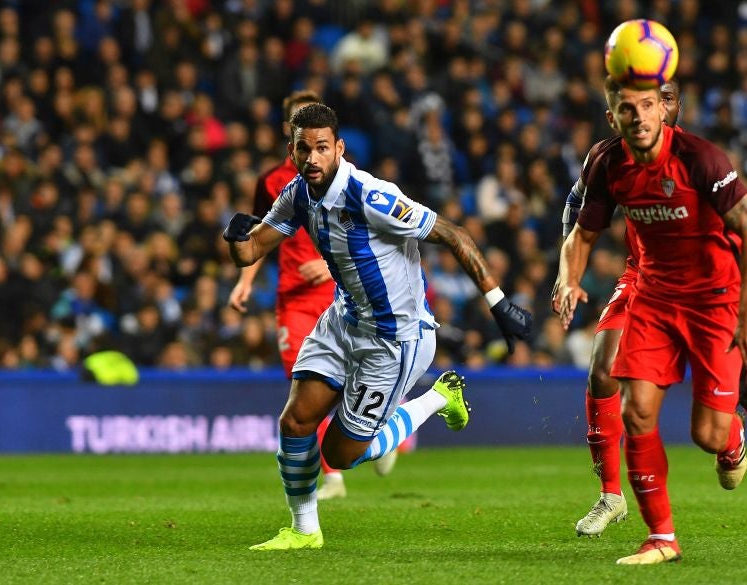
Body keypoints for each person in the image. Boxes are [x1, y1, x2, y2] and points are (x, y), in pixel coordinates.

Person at [224, 103, 532, 550]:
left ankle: (438, 397)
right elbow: (252, 252)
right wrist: (235, 239)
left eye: (322, 148)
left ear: (339, 149)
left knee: (339, 454)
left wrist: (499, 303)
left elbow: (454, 234)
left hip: (394, 339)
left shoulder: (371, 196)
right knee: (295, 422)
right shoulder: (297, 194)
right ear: (291, 151)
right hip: (344, 319)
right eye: (303, 149)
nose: (312, 158)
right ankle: (304, 530)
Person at [554, 77, 747, 565]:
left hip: (714, 299)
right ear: (613, 115)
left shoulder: (700, 158)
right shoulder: (607, 159)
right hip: (649, 288)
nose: (645, 113)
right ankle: (657, 533)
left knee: (721, 420)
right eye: (632, 106)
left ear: (671, 107)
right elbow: (579, 224)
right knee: (628, 399)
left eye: (656, 102)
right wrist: (568, 277)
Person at [227, 90, 375, 500]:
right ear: (287, 134)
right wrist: (244, 281)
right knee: (304, 381)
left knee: (350, 378)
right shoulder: (272, 183)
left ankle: (376, 428)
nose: (311, 147)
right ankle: (333, 477)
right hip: (291, 298)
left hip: (339, 293)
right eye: (300, 129)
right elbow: (260, 236)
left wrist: (328, 266)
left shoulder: (348, 178)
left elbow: (367, 238)